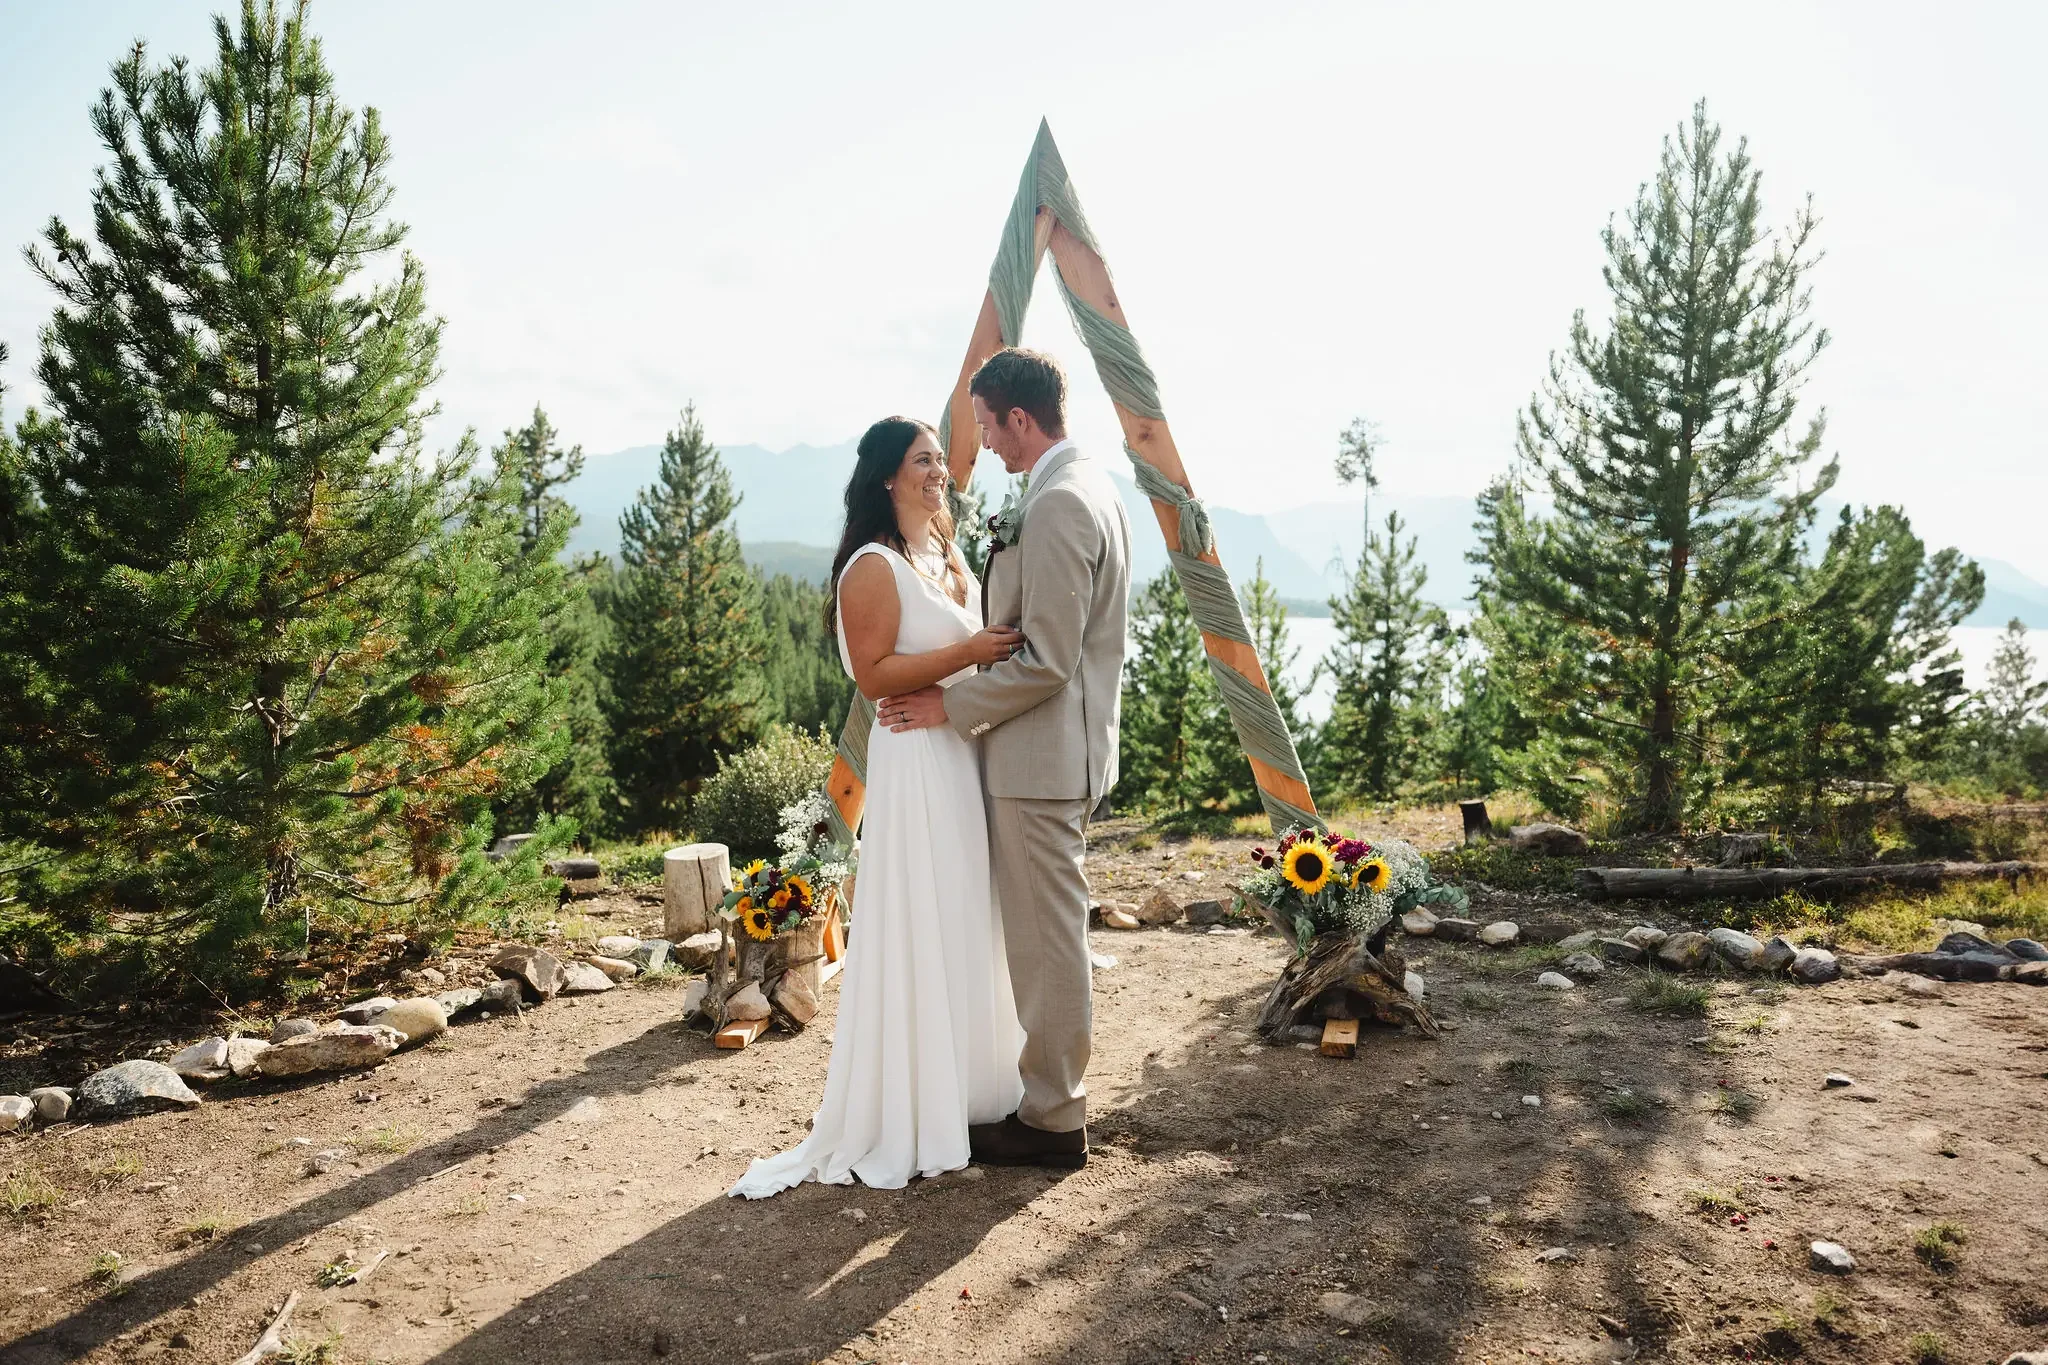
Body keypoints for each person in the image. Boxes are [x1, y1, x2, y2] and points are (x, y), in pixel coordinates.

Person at [726, 416, 1026, 1197]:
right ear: (887, 477)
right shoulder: (871, 565)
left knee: (965, 917)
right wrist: (971, 652)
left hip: (964, 757)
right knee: (922, 917)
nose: (938, 471)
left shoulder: (947, 552)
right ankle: (910, 1108)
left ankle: (970, 1094)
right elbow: (874, 673)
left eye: (939, 459)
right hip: (917, 762)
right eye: (923, 460)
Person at [881, 347, 1132, 1168]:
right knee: (1041, 934)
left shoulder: (1059, 501)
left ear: (1019, 418)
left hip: (1040, 761)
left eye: (987, 425)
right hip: (1053, 754)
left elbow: (1049, 658)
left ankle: (1055, 1117)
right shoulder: (1085, 484)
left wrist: (948, 707)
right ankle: (1045, 1098)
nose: (983, 443)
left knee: (1047, 941)